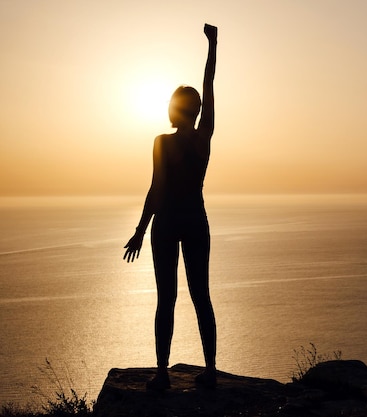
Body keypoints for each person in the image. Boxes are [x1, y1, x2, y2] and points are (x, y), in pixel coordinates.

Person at [123, 23, 218, 391]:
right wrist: (213, 46)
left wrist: (141, 229)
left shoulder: (162, 142)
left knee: (167, 299)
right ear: (195, 112)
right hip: (194, 221)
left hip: (166, 223)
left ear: (173, 110)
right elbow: (209, 86)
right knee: (200, 296)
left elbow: (155, 189)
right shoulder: (202, 140)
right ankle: (209, 370)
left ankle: (162, 372)